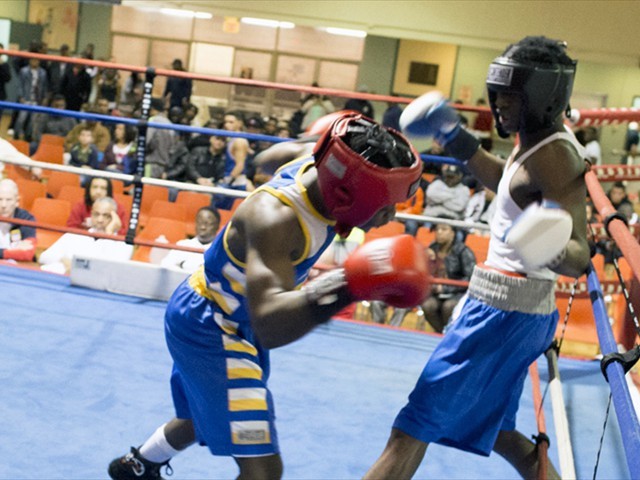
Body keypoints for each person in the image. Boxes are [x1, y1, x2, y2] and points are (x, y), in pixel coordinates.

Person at [107, 112, 428, 480]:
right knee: (263, 470)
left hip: (234, 316)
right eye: (384, 204)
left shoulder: (319, 165)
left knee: (211, 412)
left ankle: (139, 464)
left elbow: (267, 159)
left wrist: (310, 141)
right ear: (346, 193)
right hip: (214, 326)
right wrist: (350, 283)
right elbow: (271, 327)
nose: (389, 216)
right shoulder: (276, 219)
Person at [364, 36, 590, 480]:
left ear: (543, 96)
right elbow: (507, 180)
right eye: (499, 92)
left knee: (411, 427)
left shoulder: (557, 158)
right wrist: (452, 135)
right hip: (510, 310)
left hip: (503, 313)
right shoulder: (537, 140)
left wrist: (553, 246)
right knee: (499, 432)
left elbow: (579, 254)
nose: (500, 104)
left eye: (512, 95)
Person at [40, 197, 133, 274]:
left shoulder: (124, 246)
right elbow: (43, 257)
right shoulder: (73, 236)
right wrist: (64, 260)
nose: (100, 220)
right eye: (96, 214)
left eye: (106, 215)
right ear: (91, 215)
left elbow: (109, 271)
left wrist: (110, 233)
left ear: (115, 218)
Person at [421, 220, 476, 332]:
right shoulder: (432, 248)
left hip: (458, 293)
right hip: (436, 293)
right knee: (427, 305)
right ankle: (441, 333)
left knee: (449, 306)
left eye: (444, 229)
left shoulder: (463, 251)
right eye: (437, 229)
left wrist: (445, 288)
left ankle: (450, 333)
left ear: (453, 233)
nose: (439, 232)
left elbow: (471, 278)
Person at [151, 207, 220, 273]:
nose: (202, 227)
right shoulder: (182, 244)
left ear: (217, 226)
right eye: (199, 222)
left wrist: (183, 265)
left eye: (207, 224)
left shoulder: (219, 251)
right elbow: (165, 264)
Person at [0, 179, 37, 262]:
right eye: (0, 199)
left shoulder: (26, 219)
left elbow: (28, 253)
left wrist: (2, 252)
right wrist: (12, 250)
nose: (3, 205)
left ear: (17, 201)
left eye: (8, 200)